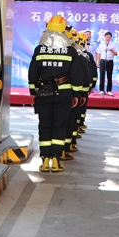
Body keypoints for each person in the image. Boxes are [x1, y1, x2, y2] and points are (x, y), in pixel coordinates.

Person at [28, 16, 83, 173]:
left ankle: (45, 160)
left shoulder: (39, 49)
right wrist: (77, 94)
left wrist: (33, 91)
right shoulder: (70, 51)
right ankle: (56, 160)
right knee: (59, 125)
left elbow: (33, 73)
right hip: (64, 94)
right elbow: (76, 75)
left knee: (45, 125)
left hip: (43, 93)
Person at [96, 31, 117, 96]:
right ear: (104, 37)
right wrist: (98, 62)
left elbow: (116, 54)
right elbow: (98, 53)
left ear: (111, 38)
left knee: (109, 76)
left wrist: (112, 51)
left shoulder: (113, 45)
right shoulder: (101, 44)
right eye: (106, 37)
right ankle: (101, 90)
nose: (108, 38)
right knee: (102, 76)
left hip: (110, 61)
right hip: (103, 61)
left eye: (109, 37)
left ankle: (109, 90)